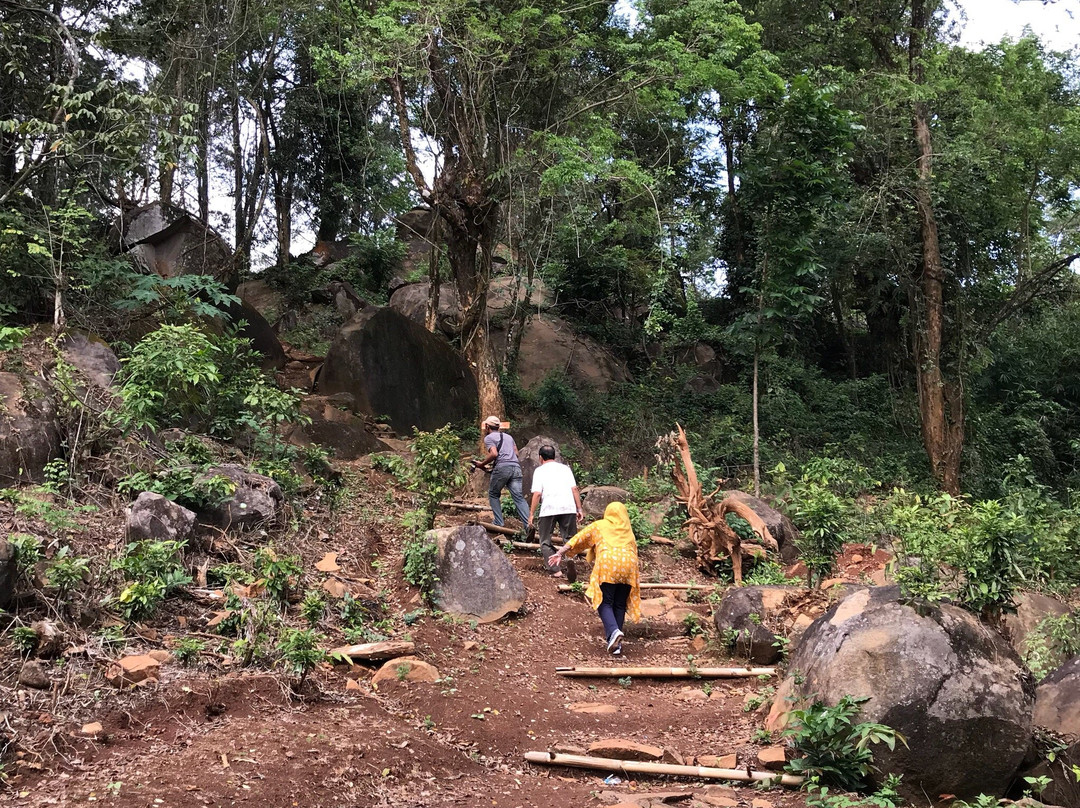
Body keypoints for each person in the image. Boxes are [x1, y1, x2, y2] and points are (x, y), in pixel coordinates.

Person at [547, 501, 641, 655]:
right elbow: (634, 550)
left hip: (609, 565)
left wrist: (560, 553)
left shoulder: (600, 525)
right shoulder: (627, 530)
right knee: (619, 604)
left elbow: (579, 538)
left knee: (604, 601)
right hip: (629, 566)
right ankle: (616, 645)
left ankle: (614, 632)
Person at [527, 445, 583, 578]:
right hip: (568, 508)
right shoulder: (565, 469)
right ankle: (570, 559)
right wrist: (579, 509)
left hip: (548, 509)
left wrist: (531, 514)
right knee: (569, 538)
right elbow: (574, 489)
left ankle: (555, 570)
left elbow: (537, 494)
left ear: (540, 457)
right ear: (554, 456)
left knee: (545, 541)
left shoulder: (539, 471)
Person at [475, 415, 530, 529]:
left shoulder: (489, 438)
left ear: (487, 426)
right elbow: (516, 453)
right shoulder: (509, 437)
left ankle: (498, 522)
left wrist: (481, 464)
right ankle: (528, 525)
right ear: (498, 426)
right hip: (516, 467)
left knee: (493, 494)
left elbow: (494, 454)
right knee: (518, 497)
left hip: (502, 468)